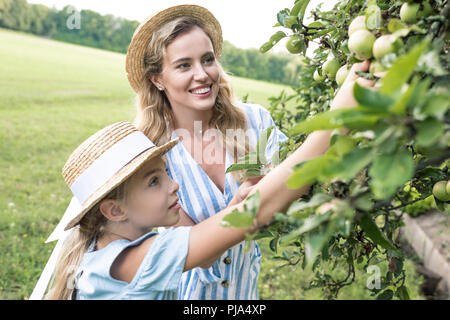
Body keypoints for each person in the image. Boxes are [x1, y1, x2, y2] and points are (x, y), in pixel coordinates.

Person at [124, 4, 374, 299]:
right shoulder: (151, 154)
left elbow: (297, 184)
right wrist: (336, 121)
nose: (202, 74)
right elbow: (198, 254)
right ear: (157, 79)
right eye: (184, 65)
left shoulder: (255, 122)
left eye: (208, 60)